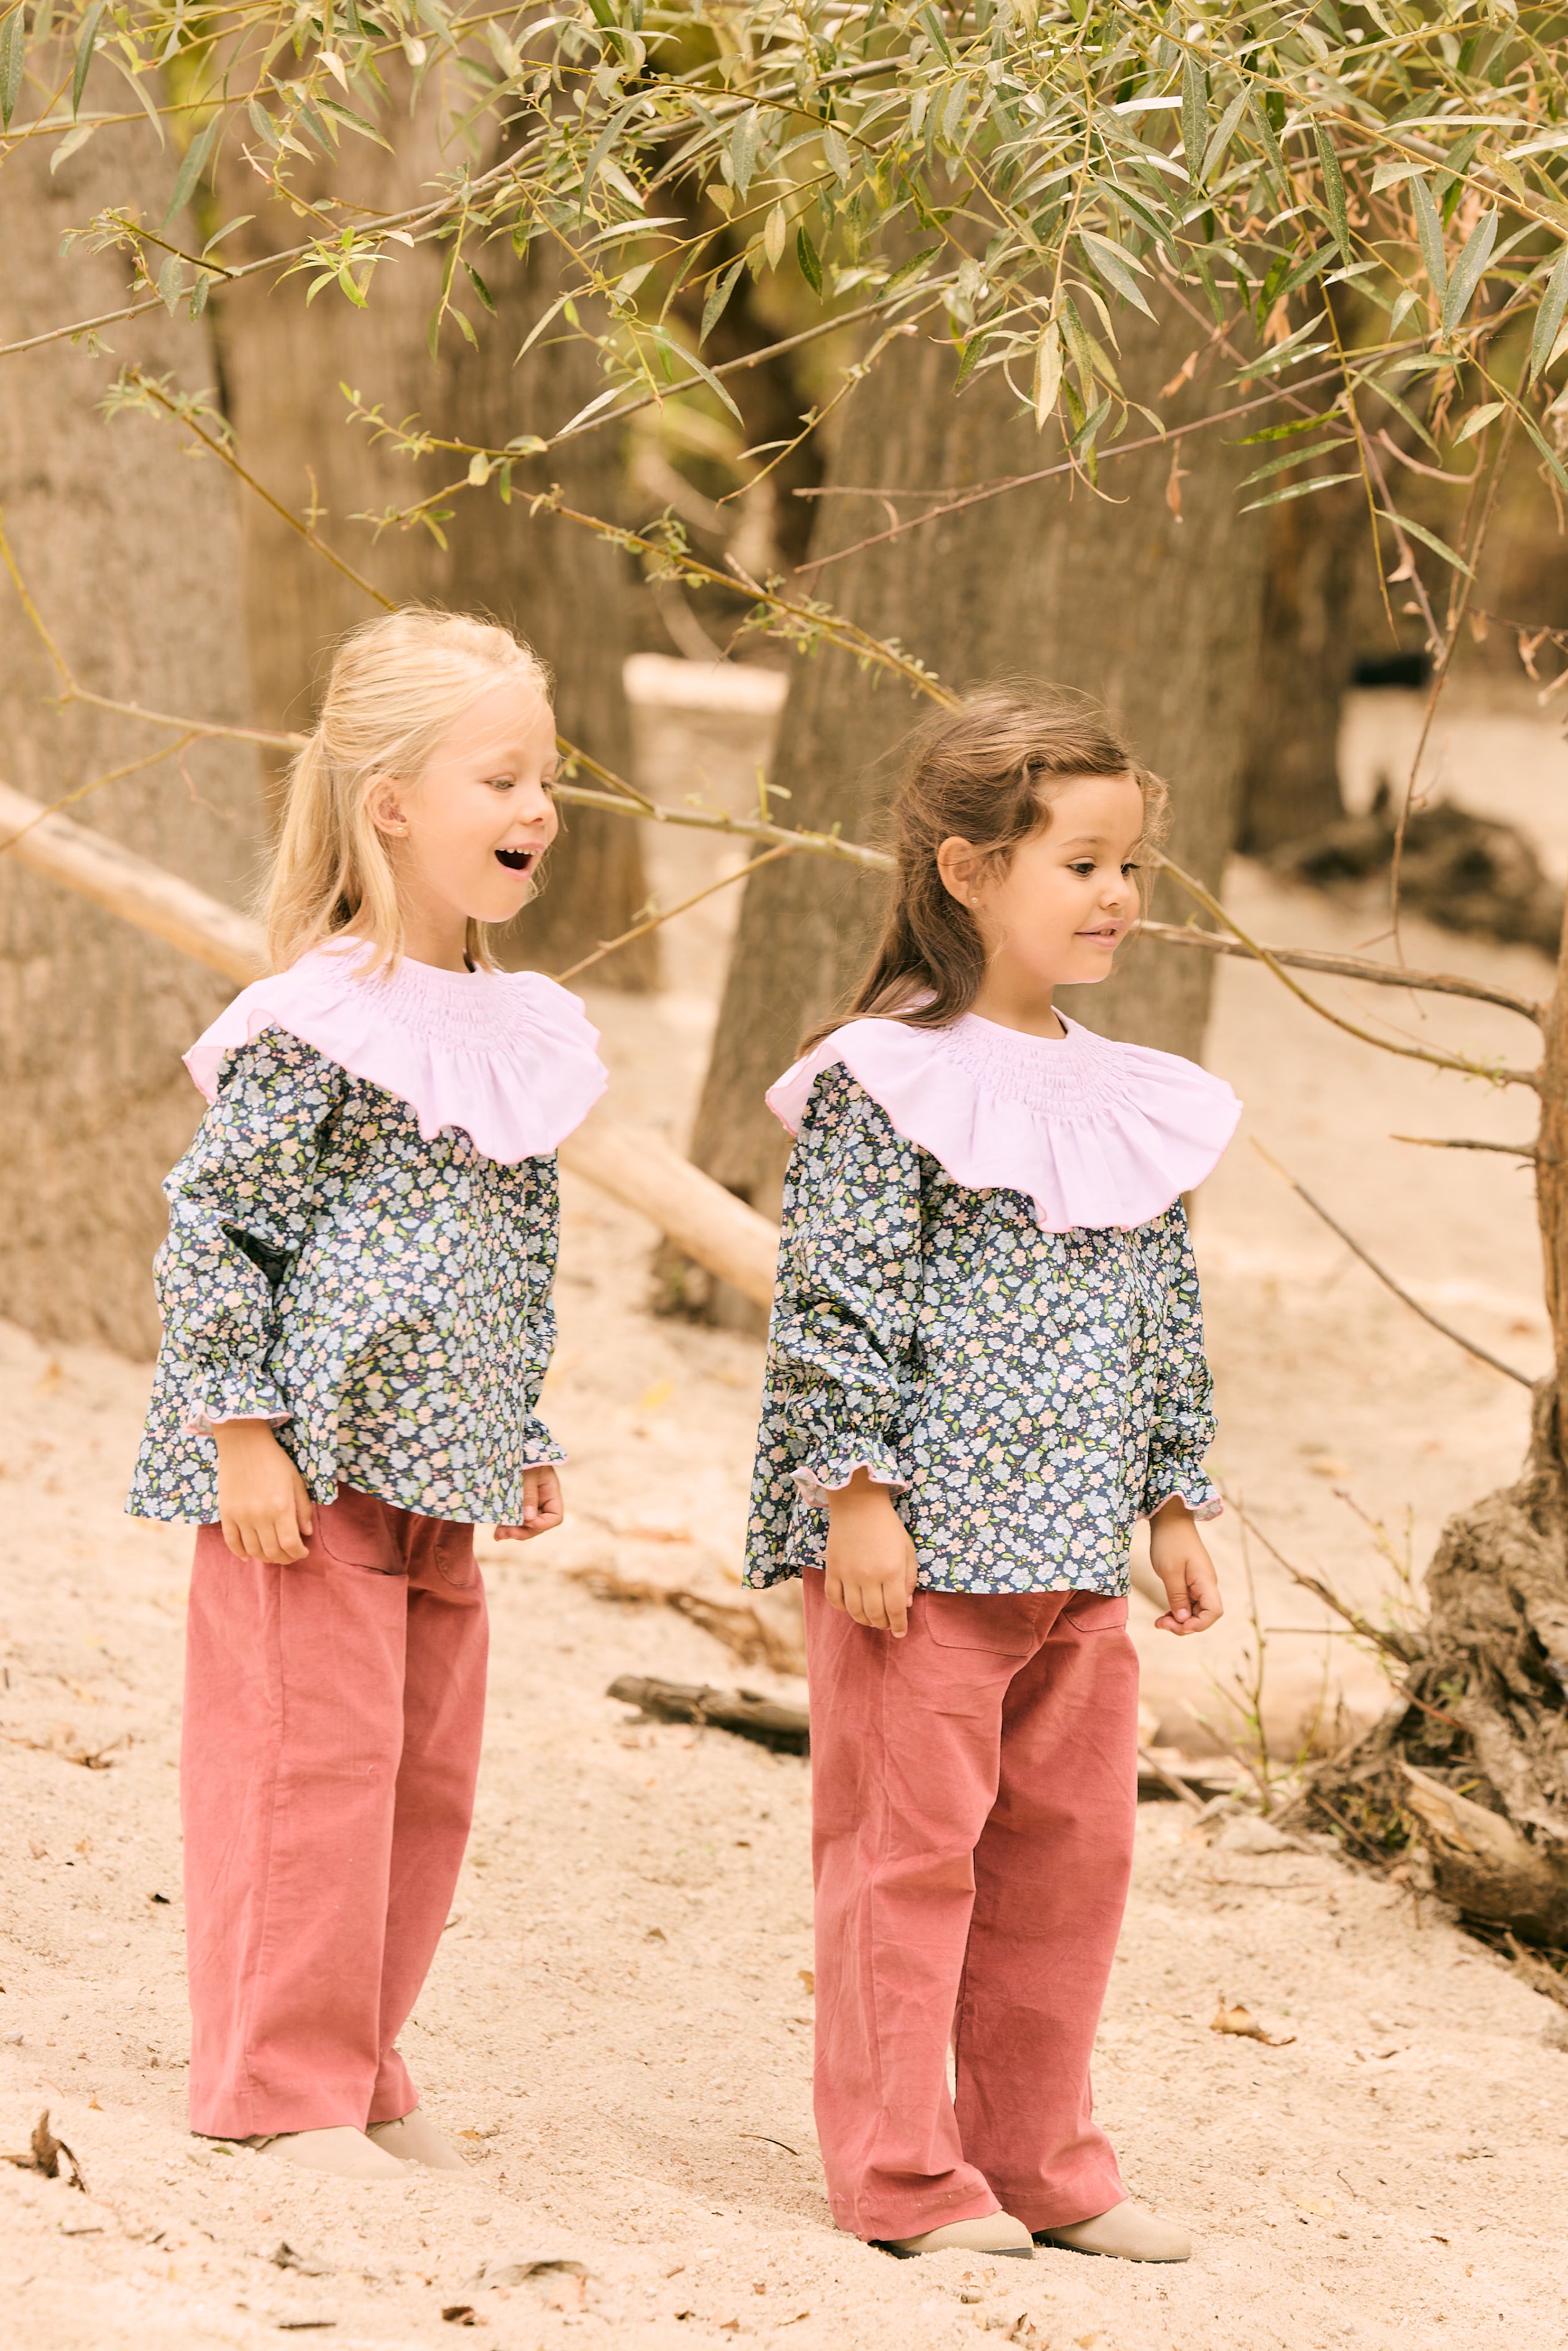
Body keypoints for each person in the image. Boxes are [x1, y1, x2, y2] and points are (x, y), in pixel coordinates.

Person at [745, 687, 1239, 2262]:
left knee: (1065, 1861)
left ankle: (1040, 2158)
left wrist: (1169, 1497)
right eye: (1079, 863)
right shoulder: (880, 1078)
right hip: (922, 1556)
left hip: (1072, 1559)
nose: (1114, 896)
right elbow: (829, 1302)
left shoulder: (1124, 1091)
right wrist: (855, 1493)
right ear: (967, 870)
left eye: (1128, 868)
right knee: (906, 1855)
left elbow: (1160, 1305)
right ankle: (902, 2172)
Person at [127, 608, 606, 2180]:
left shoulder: (518, 1028)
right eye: (499, 776)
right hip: (308, 1470)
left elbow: (499, 1256)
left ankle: (357, 2049)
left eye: (547, 775)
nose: (535, 807)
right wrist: (240, 1436)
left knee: (419, 1778)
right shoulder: (317, 1019)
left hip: (443, 1468)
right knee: (306, 1768)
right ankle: (277, 2074)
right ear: (389, 801)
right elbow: (219, 1229)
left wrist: (518, 1427)